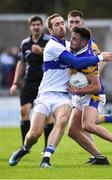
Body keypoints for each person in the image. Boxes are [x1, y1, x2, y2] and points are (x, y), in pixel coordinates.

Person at [9, 13, 112, 168]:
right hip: (45, 94)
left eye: (61, 23)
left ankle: (46, 158)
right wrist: (100, 57)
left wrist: (94, 66)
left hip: (63, 95)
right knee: (34, 134)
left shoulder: (69, 45)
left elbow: (83, 53)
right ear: (51, 30)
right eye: (56, 24)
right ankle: (25, 148)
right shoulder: (53, 46)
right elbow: (75, 62)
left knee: (63, 119)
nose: (61, 26)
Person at [67, 26, 112, 165]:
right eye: (71, 37)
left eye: (74, 39)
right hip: (81, 95)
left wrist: (75, 91)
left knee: (88, 125)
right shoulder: (75, 50)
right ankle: (99, 157)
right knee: (72, 131)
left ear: (84, 42)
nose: (71, 41)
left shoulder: (88, 60)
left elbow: (96, 86)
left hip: (94, 95)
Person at [67, 10, 112, 135]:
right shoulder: (71, 42)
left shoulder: (88, 42)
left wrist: (93, 75)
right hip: (78, 86)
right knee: (85, 123)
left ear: (83, 22)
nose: (74, 24)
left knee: (85, 124)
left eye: (77, 22)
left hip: (88, 88)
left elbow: (101, 59)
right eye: (71, 22)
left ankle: (100, 150)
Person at [9, 15, 54, 150]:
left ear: (42, 26)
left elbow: (56, 57)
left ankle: (47, 147)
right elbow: (21, 63)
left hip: (45, 82)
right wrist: (15, 83)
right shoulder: (25, 43)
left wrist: (41, 52)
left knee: (48, 116)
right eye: (33, 25)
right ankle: (25, 146)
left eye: (38, 24)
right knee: (24, 111)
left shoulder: (49, 40)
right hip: (29, 82)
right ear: (30, 27)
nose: (36, 27)